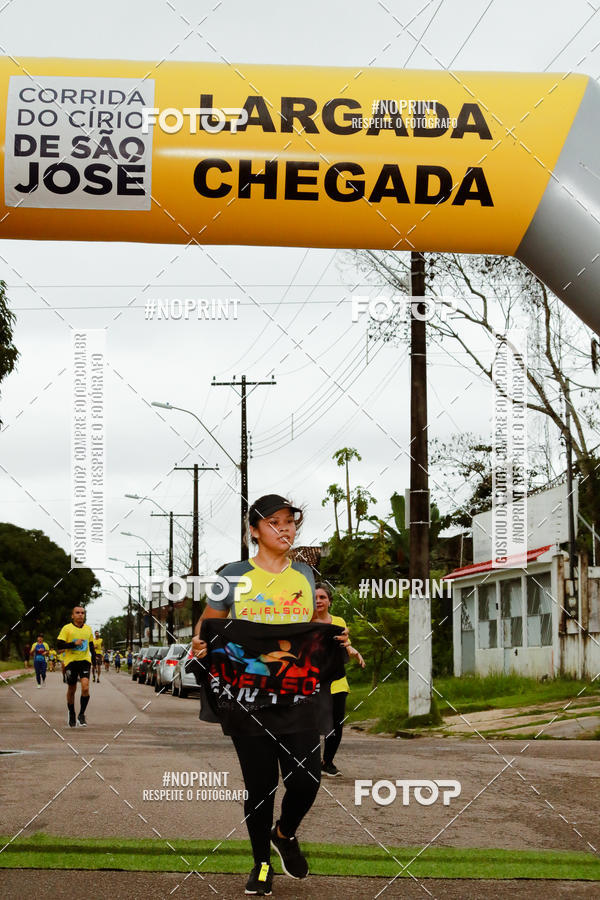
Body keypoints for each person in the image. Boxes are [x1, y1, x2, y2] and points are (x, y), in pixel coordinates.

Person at [192, 494, 349, 897]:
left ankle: (286, 833)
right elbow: (210, 625)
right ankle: (261, 863)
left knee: (306, 781)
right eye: (275, 522)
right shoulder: (231, 575)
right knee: (260, 787)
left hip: (297, 694)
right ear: (254, 530)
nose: (286, 529)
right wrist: (199, 644)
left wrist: (336, 638)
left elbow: (312, 629)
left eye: (290, 522)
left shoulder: (304, 575)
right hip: (247, 698)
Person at [314, 583, 365, 777]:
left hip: (337, 680)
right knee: (311, 723)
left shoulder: (338, 621)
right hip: (313, 681)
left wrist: (353, 650)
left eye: (322, 597)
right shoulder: (305, 621)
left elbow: (344, 643)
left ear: (329, 601)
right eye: (315, 597)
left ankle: (327, 762)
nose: (318, 601)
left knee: (336, 723)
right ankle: (308, 761)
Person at [57, 606, 96, 727]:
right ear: (72, 615)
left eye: (82, 613)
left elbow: (91, 647)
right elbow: (59, 645)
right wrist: (74, 644)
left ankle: (81, 714)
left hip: (84, 661)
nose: (80, 615)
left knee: (85, 688)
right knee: (72, 689)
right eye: (77, 613)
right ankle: (72, 713)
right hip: (71, 662)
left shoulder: (88, 629)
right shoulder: (67, 628)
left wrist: (94, 662)